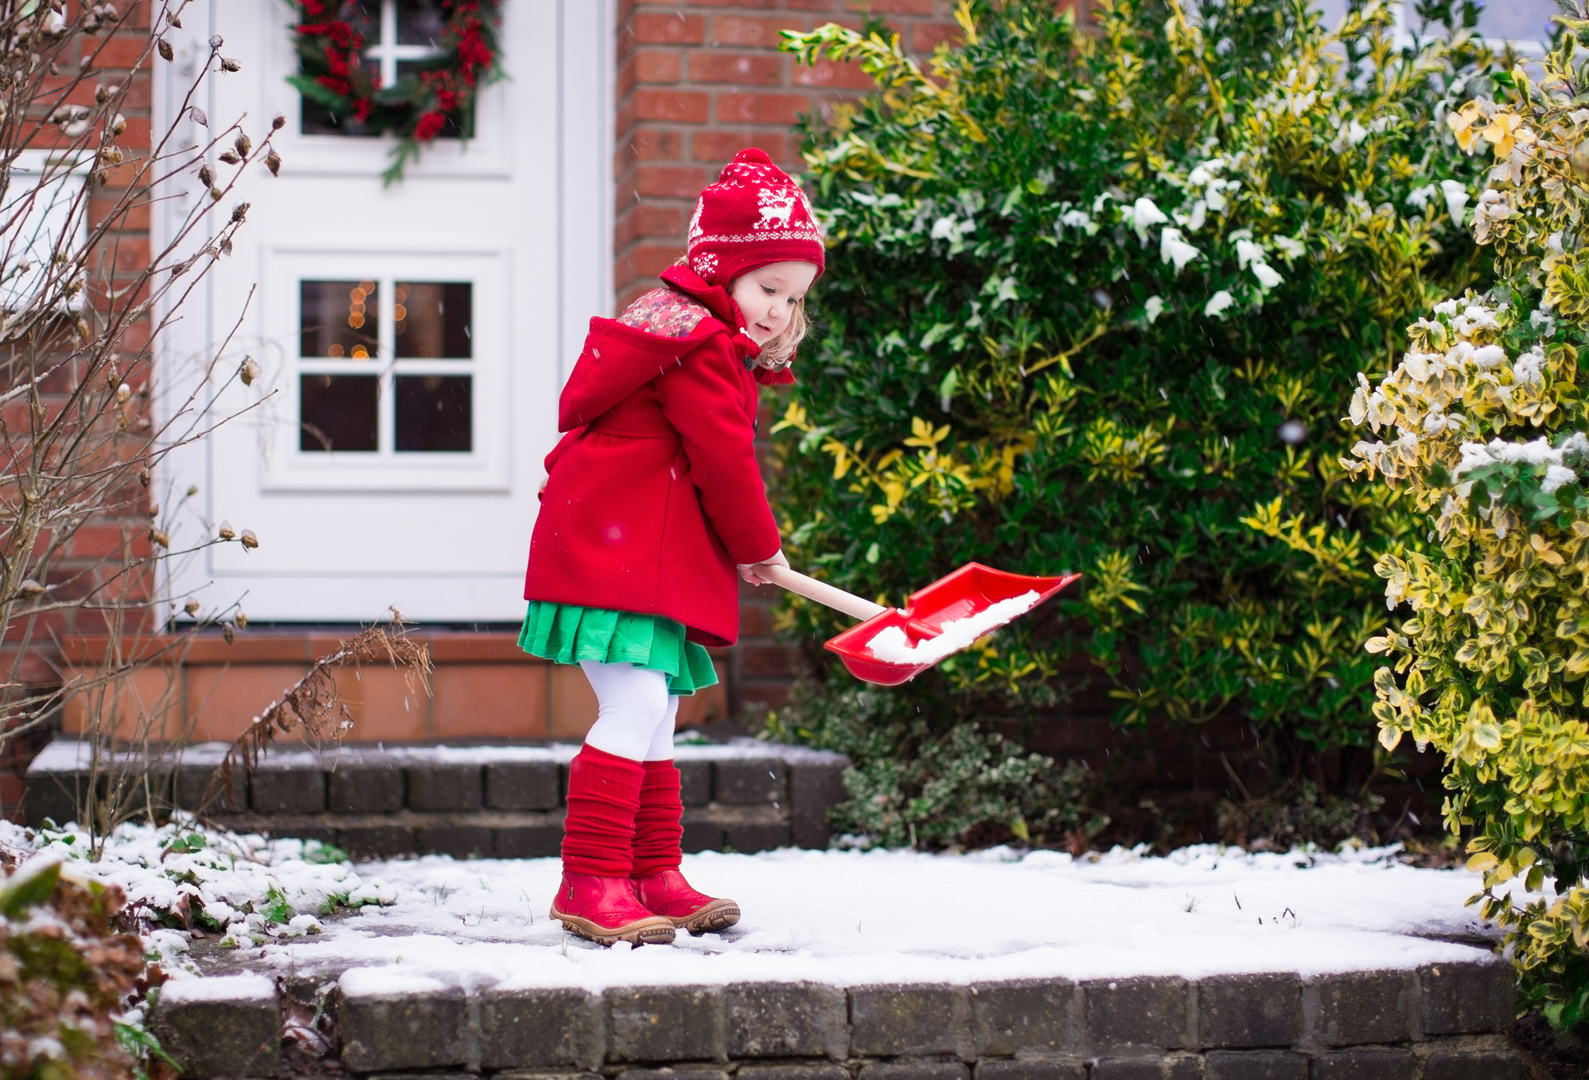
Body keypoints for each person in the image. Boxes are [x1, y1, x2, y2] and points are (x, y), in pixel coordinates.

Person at [520, 148, 824, 946]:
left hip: (630, 555)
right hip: (608, 555)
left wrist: (748, 550)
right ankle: (590, 879)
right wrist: (758, 546)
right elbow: (724, 460)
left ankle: (653, 872)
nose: (778, 313)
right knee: (638, 703)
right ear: (720, 272)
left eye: (793, 299)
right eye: (767, 290)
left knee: (660, 714)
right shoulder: (696, 347)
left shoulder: (686, 331)